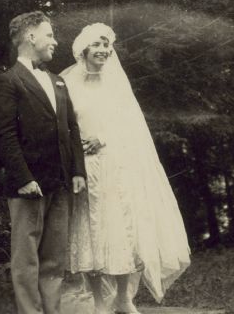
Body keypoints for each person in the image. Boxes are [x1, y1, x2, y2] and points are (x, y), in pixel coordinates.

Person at [62, 23, 190, 314]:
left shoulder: (117, 84)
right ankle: (98, 302)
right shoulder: (67, 83)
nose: (103, 51)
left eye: (107, 45)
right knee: (91, 232)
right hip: (85, 169)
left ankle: (123, 298)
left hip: (117, 165)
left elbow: (132, 126)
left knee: (121, 230)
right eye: (97, 45)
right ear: (83, 49)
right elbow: (63, 126)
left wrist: (103, 138)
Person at [0, 11, 87, 314]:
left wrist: (77, 171)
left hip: (59, 182)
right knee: (26, 260)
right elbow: (5, 136)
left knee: (54, 259)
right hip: (28, 185)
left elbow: (72, 129)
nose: (55, 42)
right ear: (31, 37)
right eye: (49, 35)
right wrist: (23, 178)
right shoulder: (8, 81)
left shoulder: (58, 81)